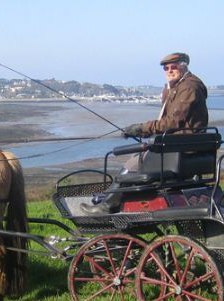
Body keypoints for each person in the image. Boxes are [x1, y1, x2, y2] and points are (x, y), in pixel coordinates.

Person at [80, 52, 209, 215]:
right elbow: (170, 123)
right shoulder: (177, 87)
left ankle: (107, 205)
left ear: (183, 67)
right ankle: (110, 199)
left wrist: (141, 129)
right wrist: (144, 131)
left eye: (173, 67)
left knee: (130, 166)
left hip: (178, 149)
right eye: (166, 68)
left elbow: (172, 122)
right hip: (177, 146)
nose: (169, 71)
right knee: (135, 160)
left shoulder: (188, 87)